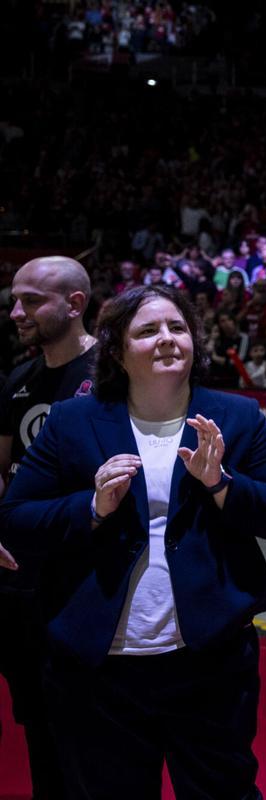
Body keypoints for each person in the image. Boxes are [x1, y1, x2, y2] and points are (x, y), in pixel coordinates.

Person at [0, 284, 266, 799]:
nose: (166, 339)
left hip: (211, 661)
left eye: (177, 327)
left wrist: (221, 483)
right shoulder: (73, 421)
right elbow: (17, 519)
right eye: (147, 330)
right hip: (99, 668)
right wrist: (92, 508)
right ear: (116, 350)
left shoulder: (238, 415)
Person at [0, 256, 97, 800]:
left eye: (32, 300)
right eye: (14, 300)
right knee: (37, 723)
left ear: (75, 304)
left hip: (84, 580)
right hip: (18, 584)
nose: (17, 312)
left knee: (87, 731)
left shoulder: (113, 375)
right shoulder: (19, 378)